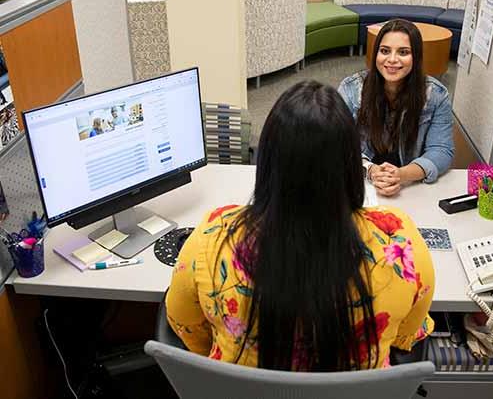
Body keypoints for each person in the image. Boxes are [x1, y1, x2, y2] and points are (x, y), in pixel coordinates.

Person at [166, 80, 435, 371]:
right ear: (349, 166)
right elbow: (407, 336)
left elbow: (186, 326)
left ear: (268, 162)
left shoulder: (212, 235)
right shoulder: (400, 240)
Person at [338, 19, 454, 197]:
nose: (392, 60)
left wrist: (401, 175)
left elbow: (441, 150)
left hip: (411, 189)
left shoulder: (436, 95)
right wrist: (370, 170)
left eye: (403, 52)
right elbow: (338, 145)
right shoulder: (351, 89)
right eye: (385, 51)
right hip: (360, 183)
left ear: (416, 57)